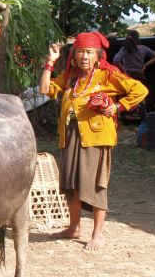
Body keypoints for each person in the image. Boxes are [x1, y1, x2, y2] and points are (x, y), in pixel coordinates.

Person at [39, 31, 148, 250]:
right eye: (80, 52)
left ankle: (98, 234)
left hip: (97, 138)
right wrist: (50, 62)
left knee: (96, 184)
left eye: (89, 52)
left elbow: (140, 90)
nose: (84, 57)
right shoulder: (71, 77)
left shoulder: (108, 75)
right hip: (70, 135)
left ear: (98, 55)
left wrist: (116, 106)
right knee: (71, 184)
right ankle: (74, 228)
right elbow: (45, 89)